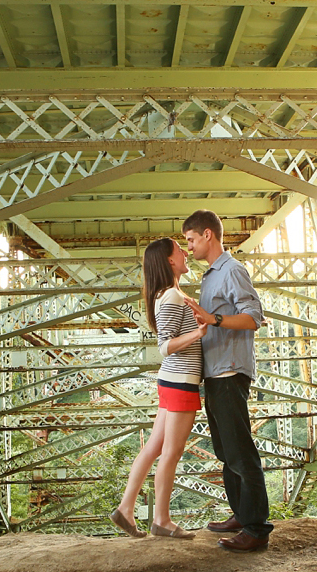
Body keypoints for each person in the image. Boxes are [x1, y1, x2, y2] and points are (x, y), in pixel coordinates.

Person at [181, 209, 273, 553]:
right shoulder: (210, 277)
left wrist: (212, 318)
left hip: (230, 371)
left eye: (190, 239)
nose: (188, 246)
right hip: (215, 371)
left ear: (207, 235)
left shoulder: (232, 270)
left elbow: (253, 318)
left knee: (240, 452)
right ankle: (241, 513)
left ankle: (256, 529)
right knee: (225, 451)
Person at [109, 237, 206, 540]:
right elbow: (164, 346)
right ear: (169, 261)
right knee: (171, 453)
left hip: (172, 381)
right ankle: (162, 520)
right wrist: (200, 332)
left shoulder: (169, 294)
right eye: (180, 249)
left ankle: (125, 510)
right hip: (180, 382)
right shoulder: (172, 297)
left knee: (153, 448)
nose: (185, 252)